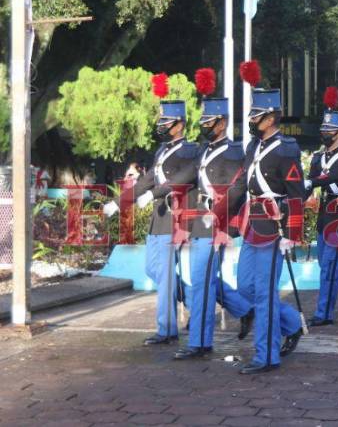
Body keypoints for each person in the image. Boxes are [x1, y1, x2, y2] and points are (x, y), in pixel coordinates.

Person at [103, 80, 199, 346]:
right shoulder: (161, 150)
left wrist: (154, 194)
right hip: (159, 221)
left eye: (166, 122)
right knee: (153, 269)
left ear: (179, 124)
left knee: (166, 275)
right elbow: (146, 180)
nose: (161, 125)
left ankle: (167, 329)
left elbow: (183, 178)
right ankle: (195, 301)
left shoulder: (190, 151)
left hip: (175, 218)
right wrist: (118, 202)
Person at [228, 87, 306, 374]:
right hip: (251, 225)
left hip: (274, 227)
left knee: (264, 292)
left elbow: (296, 193)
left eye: (256, 116)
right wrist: (220, 217)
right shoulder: (253, 147)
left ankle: (267, 356)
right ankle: (291, 324)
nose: (252, 120)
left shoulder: (286, 149)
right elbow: (240, 186)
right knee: (245, 286)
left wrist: (291, 234)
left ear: (271, 118)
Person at [173, 94, 255, 360]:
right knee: (202, 281)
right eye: (204, 120)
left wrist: (223, 225)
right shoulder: (203, 151)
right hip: (200, 221)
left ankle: (200, 342)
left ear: (223, 124)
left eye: (210, 121)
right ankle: (244, 310)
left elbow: (237, 191)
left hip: (217, 223)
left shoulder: (234, 152)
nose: (205, 125)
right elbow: (189, 183)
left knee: (202, 284)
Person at [304, 91, 338, 326]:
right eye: (323, 130)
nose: (325, 134)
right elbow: (309, 183)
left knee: (328, 266)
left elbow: (334, 178)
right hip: (325, 213)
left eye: (330, 131)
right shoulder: (317, 158)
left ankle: (323, 312)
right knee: (325, 263)